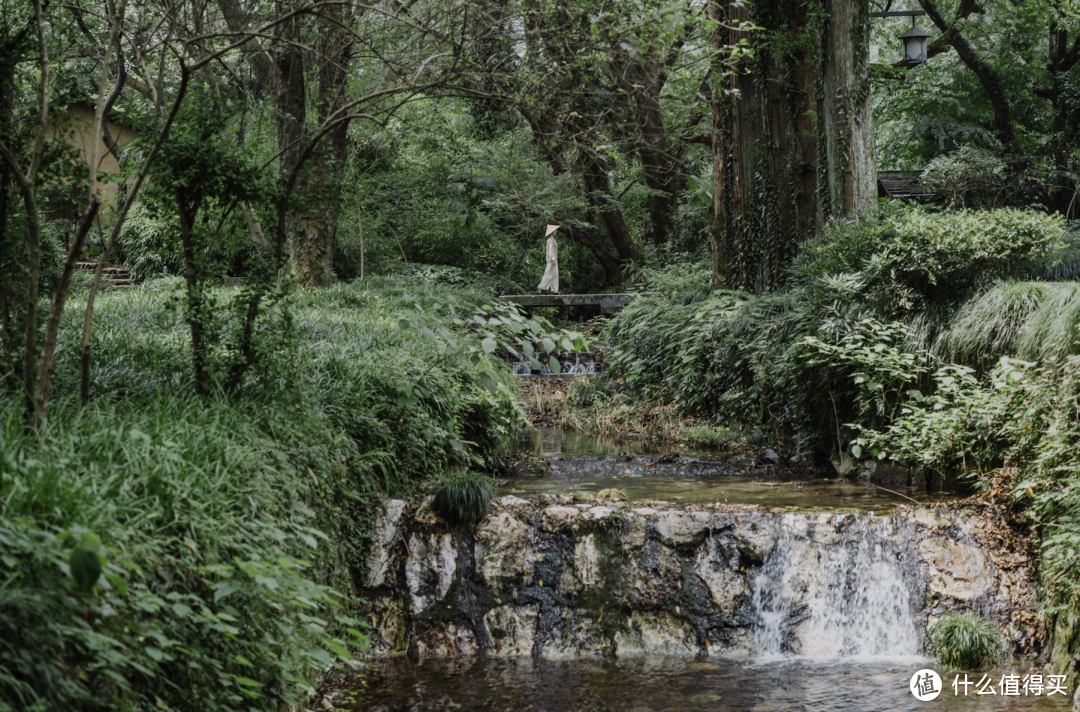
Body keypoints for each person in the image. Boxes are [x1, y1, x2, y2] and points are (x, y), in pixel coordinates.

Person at [537, 224, 559, 294]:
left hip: (553, 259)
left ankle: (555, 290)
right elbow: (551, 251)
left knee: (555, 275)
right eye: (555, 230)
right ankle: (540, 286)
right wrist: (553, 259)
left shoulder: (552, 239)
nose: (556, 231)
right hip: (552, 260)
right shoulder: (551, 240)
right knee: (549, 274)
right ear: (552, 231)